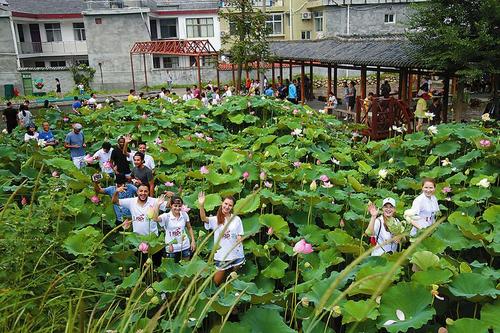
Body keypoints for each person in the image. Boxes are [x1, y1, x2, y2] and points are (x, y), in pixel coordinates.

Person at [112, 185, 166, 267]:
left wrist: (172, 196)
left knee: (155, 265)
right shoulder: (131, 201)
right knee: (142, 265)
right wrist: (116, 192)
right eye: (141, 191)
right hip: (138, 240)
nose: (143, 193)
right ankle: (144, 278)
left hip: (153, 239)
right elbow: (115, 201)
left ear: (148, 192)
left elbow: (169, 205)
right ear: (137, 192)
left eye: (145, 191)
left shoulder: (154, 201)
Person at [198, 192, 245, 285]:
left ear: (232, 207)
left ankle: (229, 292)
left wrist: (240, 238)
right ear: (222, 203)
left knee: (232, 278)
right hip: (222, 255)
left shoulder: (236, 219)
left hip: (236, 253)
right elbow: (203, 218)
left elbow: (240, 234)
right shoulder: (215, 219)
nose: (227, 207)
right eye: (226, 204)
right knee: (216, 282)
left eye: (230, 205)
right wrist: (201, 205)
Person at [154, 196, 195, 262]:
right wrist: (158, 205)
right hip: (171, 248)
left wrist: (193, 241)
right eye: (175, 206)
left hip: (185, 246)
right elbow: (155, 219)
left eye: (179, 206)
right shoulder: (166, 216)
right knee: (171, 269)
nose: (177, 208)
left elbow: (189, 227)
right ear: (171, 205)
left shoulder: (184, 215)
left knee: (185, 267)